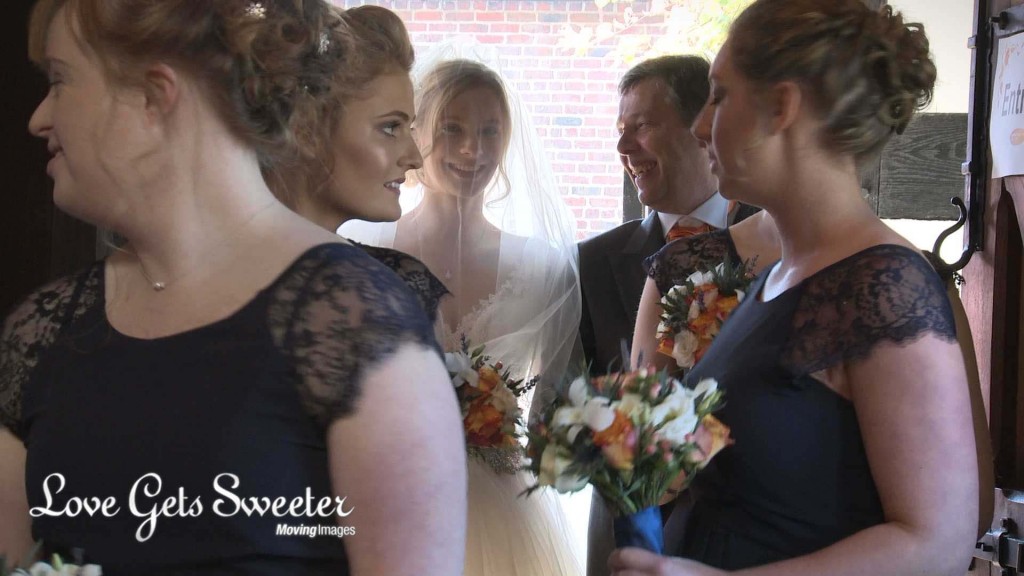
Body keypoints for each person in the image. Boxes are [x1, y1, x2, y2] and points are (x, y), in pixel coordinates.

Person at [0, 2, 466, 575]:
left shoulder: (357, 327)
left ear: (153, 95)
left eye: (60, 81)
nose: (39, 118)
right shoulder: (41, 331)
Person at [610, 1, 985, 574]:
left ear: (781, 106)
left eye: (719, 95)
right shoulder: (781, 277)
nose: (699, 124)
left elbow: (936, 542)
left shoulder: (883, 285)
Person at [341, 47, 585, 576]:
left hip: (504, 511)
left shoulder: (544, 270)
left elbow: (552, 412)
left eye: (491, 131)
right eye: (451, 129)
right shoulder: (359, 248)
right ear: (417, 133)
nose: (473, 149)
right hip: (386, 495)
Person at [580, 55, 762, 576]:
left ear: (701, 125)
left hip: (745, 532)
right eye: (620, 130)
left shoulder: (775, 245)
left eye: (641, 126)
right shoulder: (591, 261)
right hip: (627, 531)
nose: (623, 147)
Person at [265, 4, 448, 322]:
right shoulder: (383, 295)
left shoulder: (397, 287)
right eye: (390, 127)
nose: (414, 158)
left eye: (410, 128)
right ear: (307, 129)